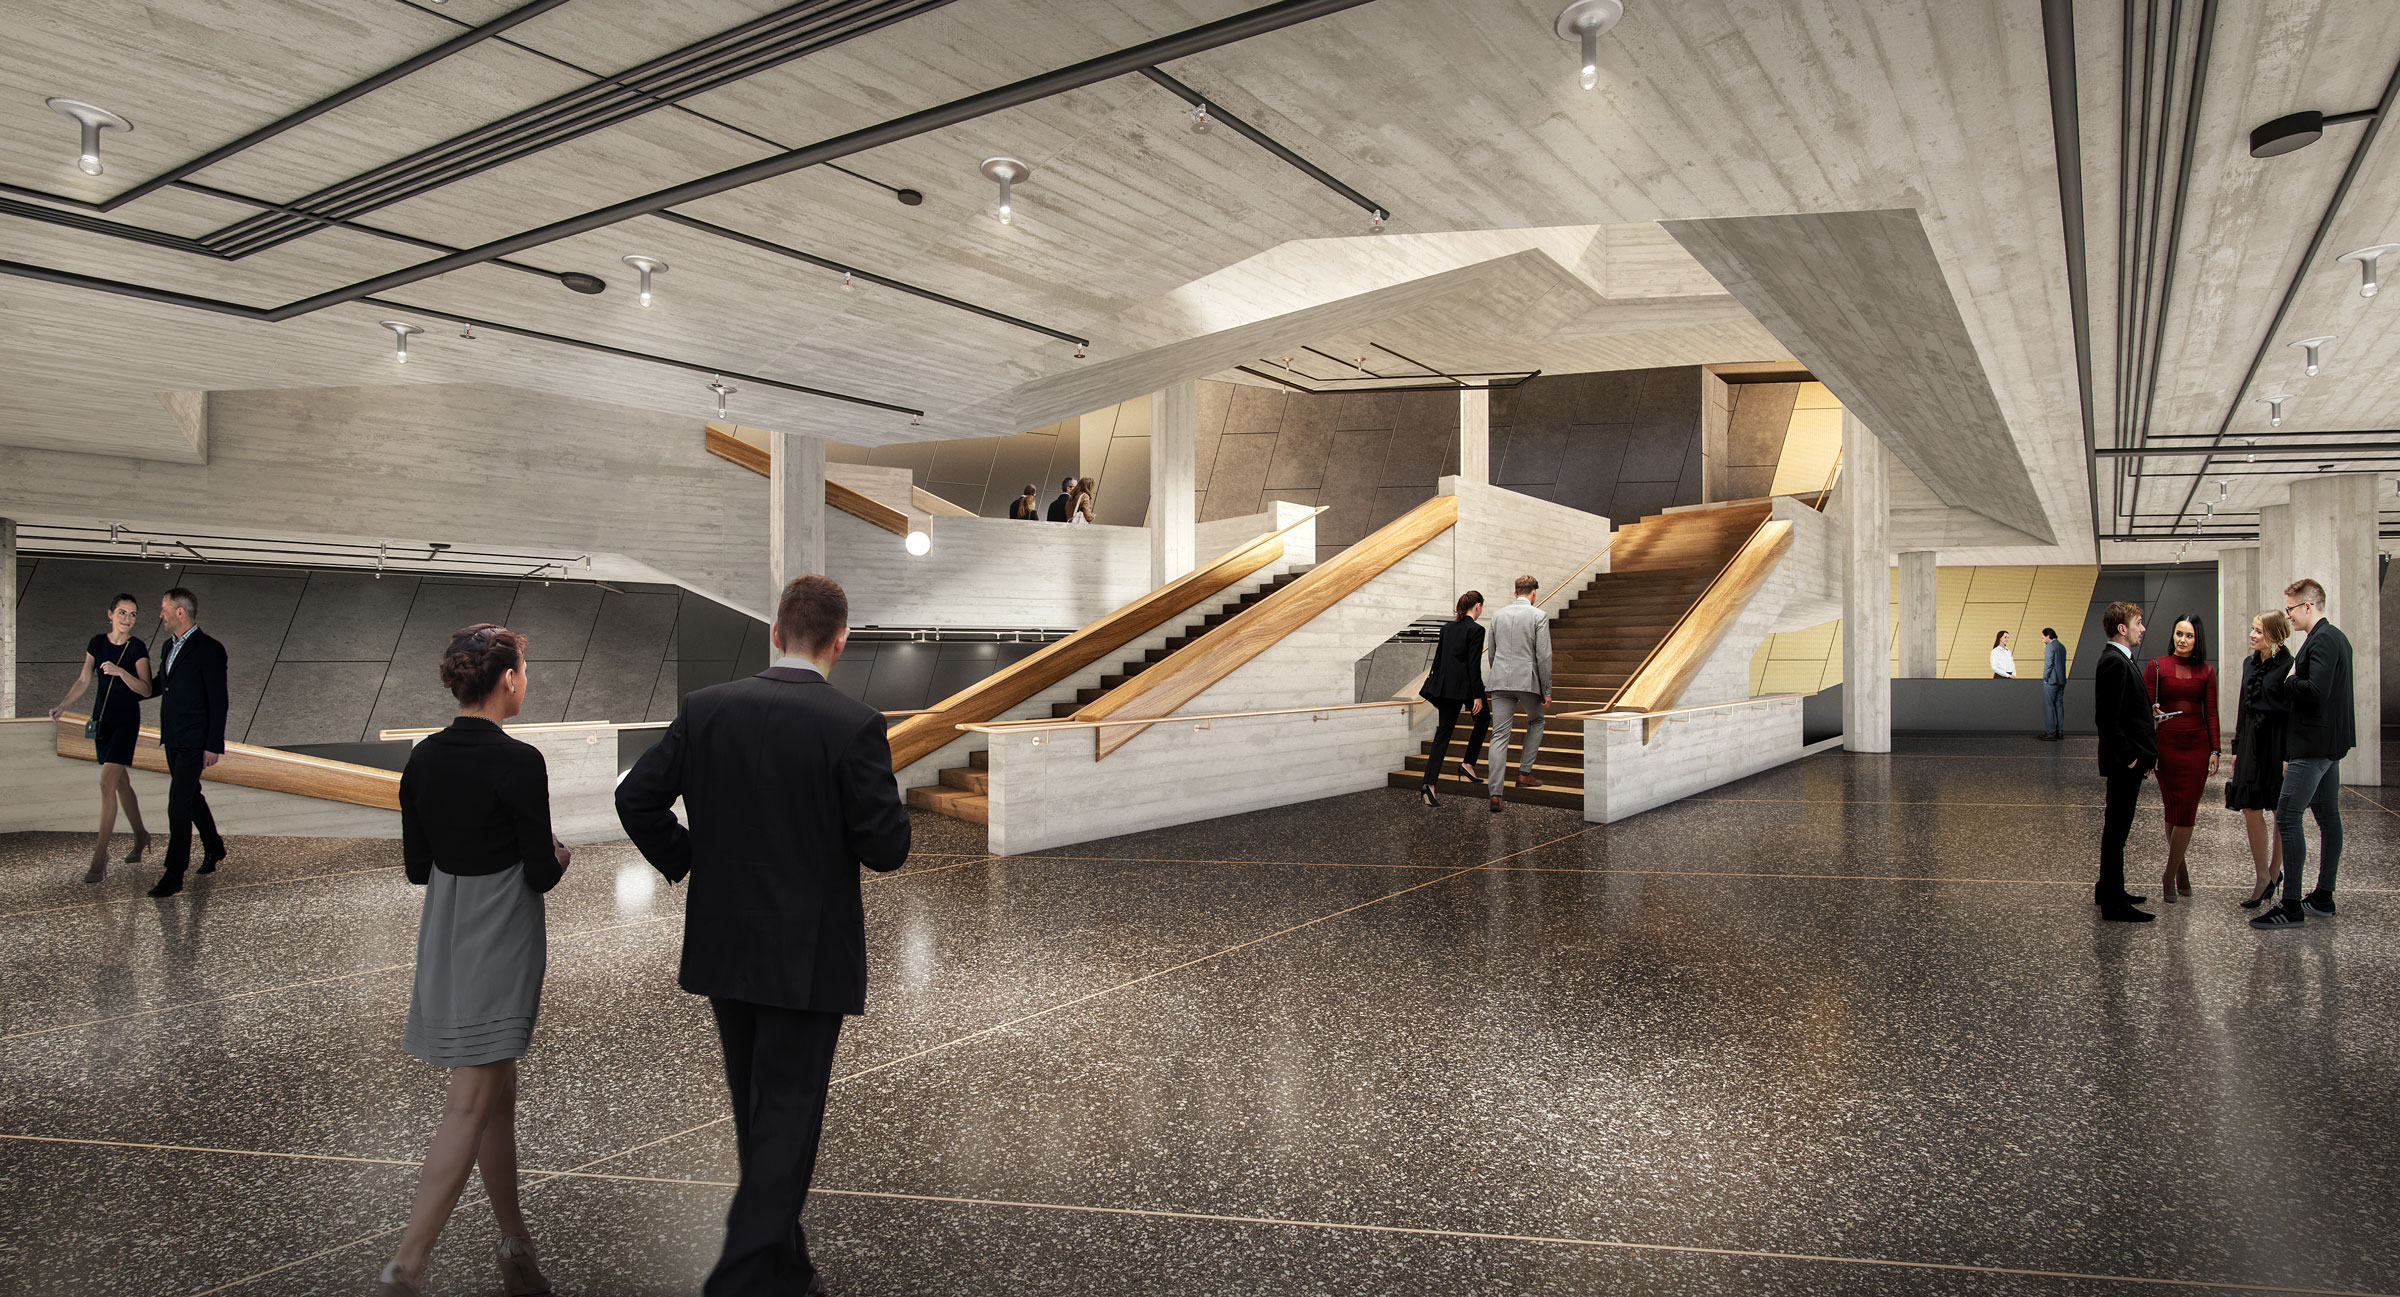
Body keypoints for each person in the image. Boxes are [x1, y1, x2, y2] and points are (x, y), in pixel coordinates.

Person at [615, 575, 911, 1295]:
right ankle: (740, 1277)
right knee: (785, 1113)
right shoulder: (853, 726)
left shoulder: (707, 709)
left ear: (775, 632)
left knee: (761, 1110)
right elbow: (887, 847)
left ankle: (786, 1263)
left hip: (724, 947)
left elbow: (636, 797)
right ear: (839, 641)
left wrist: (691, 859)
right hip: (805, 958)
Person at [380, 624, 567, 1297]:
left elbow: (415, 866)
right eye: (527, 669)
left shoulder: (423, 758)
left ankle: (515, 1241)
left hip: (448, 929)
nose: (527, 680)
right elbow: (541, 873)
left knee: (496, 1098)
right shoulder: (521, 761)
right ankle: (410, 1259)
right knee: (470, 1101)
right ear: (507, 678)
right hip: (499, 934)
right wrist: (557, 854)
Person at [2253, 577, 2354, 930]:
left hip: (2313, 746)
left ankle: (2291, 905)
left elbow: (2316, 690)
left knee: (2287, 816)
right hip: (2328, 746)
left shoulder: (2322, 639)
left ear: (2308, 606)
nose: (2289, 616)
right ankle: (2323, 896)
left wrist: (2290, 680)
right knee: (2327, 817)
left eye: (2291, 609)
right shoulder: (2335, 637)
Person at [47, 593, 154, 882]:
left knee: (107, 782)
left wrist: (121, 672)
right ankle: (142, 835)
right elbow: (84, 679)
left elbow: (145, 688)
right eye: (122, 612)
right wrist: (63, 705)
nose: (127, 619)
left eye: (132, 614)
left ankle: (99, 857)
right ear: (110, 614)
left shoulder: (137, 648)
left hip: (126, 722)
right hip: (102, 722)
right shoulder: (97, 643)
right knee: (121, 782)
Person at [149, 587, 228, 898]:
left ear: (180, 612)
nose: (161, 615)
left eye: (164, 609)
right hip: (173, 736)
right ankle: (215, 846)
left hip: (196, 739)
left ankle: (174, 873)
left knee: (178, 804)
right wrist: (125, 682)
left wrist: (213, 744)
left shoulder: (210, 649)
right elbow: (160, 686)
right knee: (191, 796)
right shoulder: (168, 647)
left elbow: (219, 700)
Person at [2143, 615, 2218, 902]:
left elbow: (2210, 712)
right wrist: (2152, 713)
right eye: (2178, 634)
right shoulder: (2157, 666)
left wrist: (2215, 750)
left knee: (2187, 812)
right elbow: (2145, 708)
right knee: (2173, 810)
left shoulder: (2207, 671)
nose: (2182, 640)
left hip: (2197, 747)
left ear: (2197, 639)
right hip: (2166, 746)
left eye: (2189, 636)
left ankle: (2168, 874)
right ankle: (2181, 872)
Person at [2092, 601, 2156, 923]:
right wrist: (2132, 759)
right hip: (2123, 765)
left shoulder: (2121, 660)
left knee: (2116, 830)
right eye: (2138, 622)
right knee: (2117, 831)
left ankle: (2109, 888)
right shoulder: (2114, 662)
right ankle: (2113, 904)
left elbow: (2124, 709)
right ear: (2122, 628)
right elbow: (2107, 720)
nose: (2142, 628)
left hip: (2124, 763)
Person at [2225, 611, 2292, 909]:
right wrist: (2237, 747)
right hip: (2252, 739)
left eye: (2258, 631)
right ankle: (2262, 876)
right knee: (2250, 808)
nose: (2252, 635)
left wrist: (2289, 755)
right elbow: (2242, 707)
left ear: (2275, 635)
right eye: (2252, 629)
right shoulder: (2248, 663)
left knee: (2279, 810)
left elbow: (2293, 715)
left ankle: (2275, 873)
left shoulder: (2289, 665)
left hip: (2276, 741)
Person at [1484, 574, 1552, 813]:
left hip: (1500, 680)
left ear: (1515, 592)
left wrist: (1499, 674)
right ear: (1533, 592)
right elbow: (1543, 656)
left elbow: (1491, 652)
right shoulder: (1539, 616)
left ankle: (1495, 795)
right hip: (1527, 681)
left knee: (1499, 735)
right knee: (1537, 720)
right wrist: (1546, 689)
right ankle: (1524, 772)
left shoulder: (1498, 615)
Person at [1416, 591, 1490, 807]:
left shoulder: (1447, 628)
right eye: (1481, 607)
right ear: (1477, 606)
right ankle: (1468, 763)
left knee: (1443, 734)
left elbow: (1437, 661)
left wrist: (1435, 690)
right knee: (1483, 720)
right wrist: (1477, 695)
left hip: (1444, 689)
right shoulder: (1476, 629)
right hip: (1466, 688)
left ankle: (1429, 786)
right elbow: (1472, 665)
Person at [2038, 627, 2067, 740]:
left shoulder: (2050, 646)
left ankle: (2051, 732)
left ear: (2048, 636)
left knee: (2049, 706)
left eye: (2043, 637)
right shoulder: (2061, 646)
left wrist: (2045, 677)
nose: (2043, 640)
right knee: (2059, 705)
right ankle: (2059, 731)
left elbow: (2049, 663)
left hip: (2051, 680)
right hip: (2061, 680)